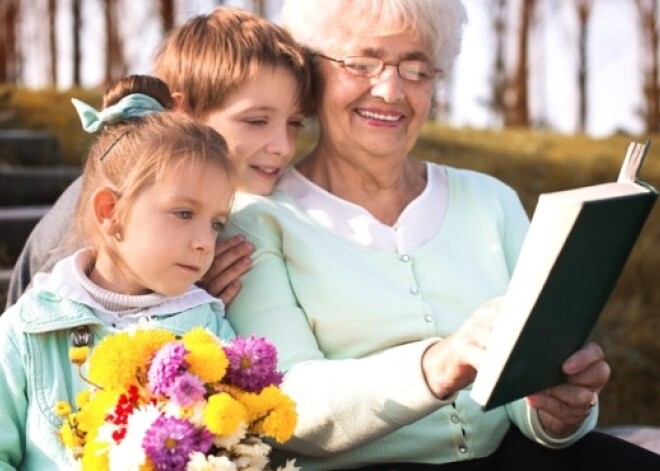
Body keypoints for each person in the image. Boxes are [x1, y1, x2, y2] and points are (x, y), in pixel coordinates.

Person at [221, 0, 660, 469]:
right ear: (312, 73)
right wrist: (438, 364)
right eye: (362, 63)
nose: (390, 90)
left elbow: (524, 387)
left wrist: (558, 412)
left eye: (416, 69)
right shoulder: (257, 220)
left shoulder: (491, 200)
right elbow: (291, 403)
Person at [0, 75, 237, 469]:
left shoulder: (210, 332)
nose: (204, 242)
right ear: (109, 212)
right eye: (183, 213)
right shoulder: (27, 331)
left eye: (215, 223)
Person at [5, 6, 313, 308]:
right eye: (256, 121)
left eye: (294, 124)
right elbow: (55, 334)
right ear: (184, 114)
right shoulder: (113, 203)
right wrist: (176, 296)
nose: (283, 147)